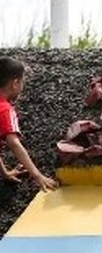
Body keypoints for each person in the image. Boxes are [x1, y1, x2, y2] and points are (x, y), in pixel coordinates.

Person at [0, 57, 60, 191]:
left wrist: (5, 173)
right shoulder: (5, 110)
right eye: (22, 82)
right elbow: (14, 143)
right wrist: (38, 176)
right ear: (15, 83)